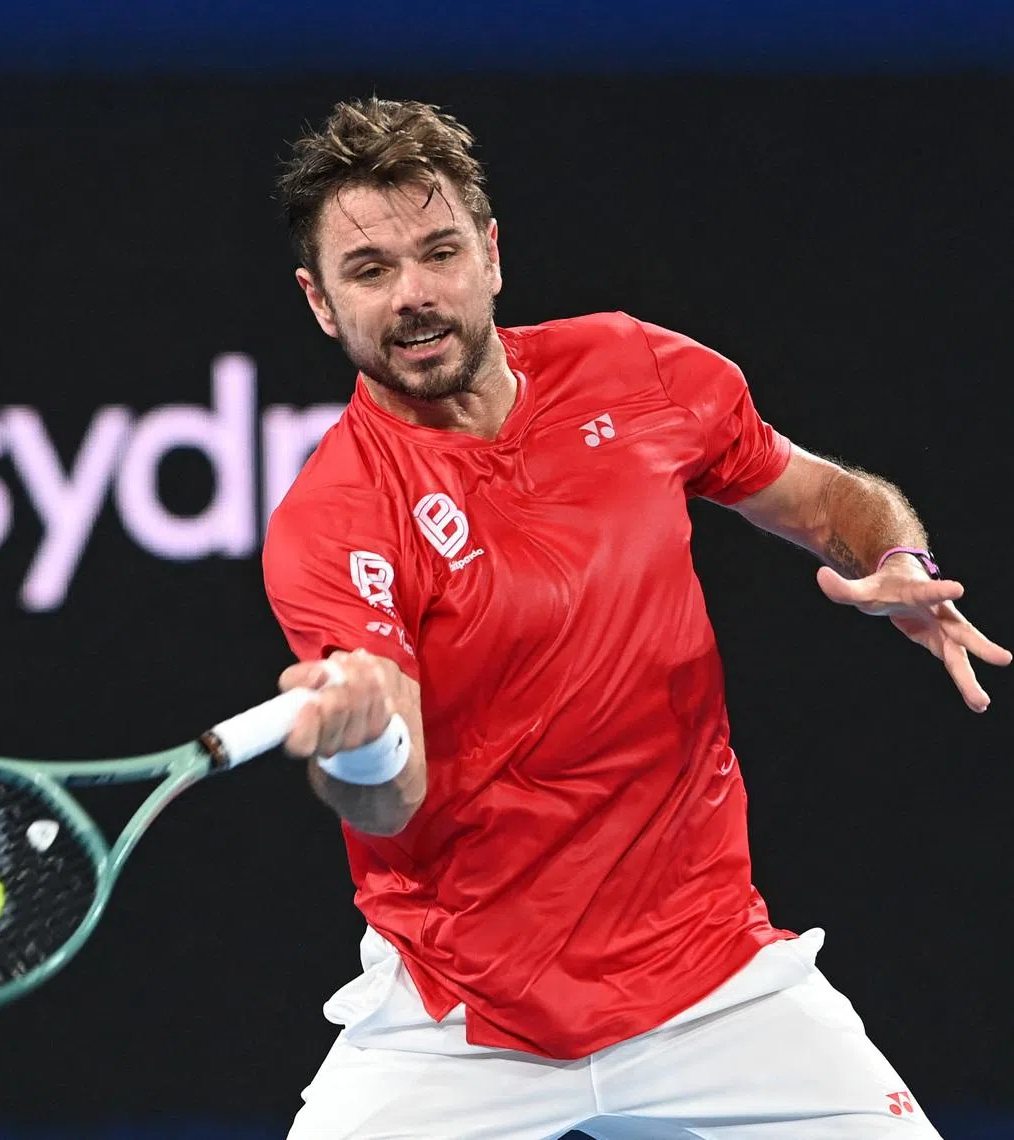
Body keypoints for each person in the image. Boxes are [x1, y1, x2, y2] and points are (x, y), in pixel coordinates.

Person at [262, 97, 1009, 1139]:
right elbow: (387, 805)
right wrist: (361, 742)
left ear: (491, 252)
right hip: (461, 1020)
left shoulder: (635, 369)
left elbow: (827, 496)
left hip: (714, 982)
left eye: (438, 252)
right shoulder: (334, 518)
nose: (416, 296)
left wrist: (896, 556)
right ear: (320, 302)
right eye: (371, 270)